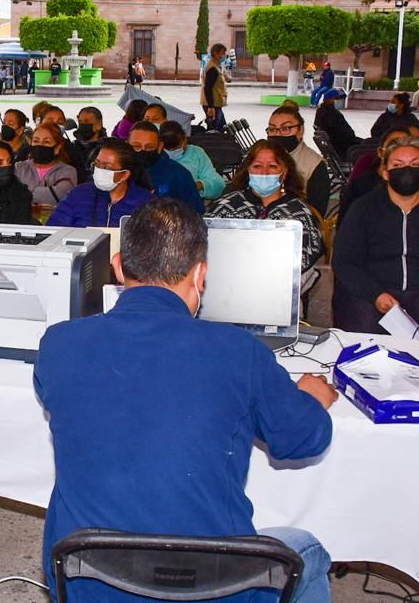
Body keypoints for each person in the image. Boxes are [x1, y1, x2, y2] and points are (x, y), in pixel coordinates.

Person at [35, 197, 335, 603]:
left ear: (119, 266)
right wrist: (310, 398)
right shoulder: (238, 351)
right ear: (201, 275)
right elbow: (304, 440)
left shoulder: (59, 344)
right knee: (306, 547)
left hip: (89, 581)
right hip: (214, 587)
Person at [333, 137, 419, 344]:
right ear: (385, 172)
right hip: (372, 293)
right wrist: (376, 294)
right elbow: (344, 261)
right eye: (398, 165)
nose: (407, 170)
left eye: (415, 165)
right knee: (363, 340)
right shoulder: (363, 208)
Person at [209, 140, 324, 274]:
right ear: (248, 170)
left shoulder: (299, 213)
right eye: (257, 166)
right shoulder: (224, 206)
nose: (264, 173)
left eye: (272, 166)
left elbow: (305, 261)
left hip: (280, 286)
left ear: (284, 173)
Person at [47, 140, 153, 228]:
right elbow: (54, 229)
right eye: (97, 164)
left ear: (124, 174)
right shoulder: (79, 194)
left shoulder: (145, 202)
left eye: (107, 167)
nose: (100, 170)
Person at [265, 106, 332, 217]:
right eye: (272, 129)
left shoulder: (314, 165)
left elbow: (317, 214)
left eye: (285, 128)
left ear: (300, 131)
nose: (277, 134)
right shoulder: (258, 158)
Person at [127, 121, 205, 213]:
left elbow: (195, 213)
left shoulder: (179, 174)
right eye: (136, 146)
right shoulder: (117, 171)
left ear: (160, 147)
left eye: (149, 147)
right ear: (127, 145)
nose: (142, 151)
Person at [339, 127, 411, 223]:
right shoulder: (361, 187)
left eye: (407, 145)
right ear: (381, 152)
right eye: (393, 145)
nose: (399, 150)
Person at [15, 122, 78, 205]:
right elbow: (6, 194)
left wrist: (21, 194)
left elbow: (58, 195)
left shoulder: (68, 171)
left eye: (46, 142)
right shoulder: (19, 167)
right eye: (36, 141)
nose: (40, 145)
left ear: (57, 148)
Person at [159, 121, 225, 200]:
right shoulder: (155, 156)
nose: (173, 151)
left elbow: (218, 183)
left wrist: (199, 185)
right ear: (160, 145)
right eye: (168, 149)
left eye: (176, 147)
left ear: (185, 140)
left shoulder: (196, 153)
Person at [314, 89, 360, 158]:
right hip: (343, 146)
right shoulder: (330, 113)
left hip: (342, 143)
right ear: (330, 100)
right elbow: (339, 132)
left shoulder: (322, 110)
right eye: (336, 99)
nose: (337, 101)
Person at [201, 43, 229, 130]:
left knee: (222, 128)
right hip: (212, 105)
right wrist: (211, 107)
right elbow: (208, 88)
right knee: (214, 131)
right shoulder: (212, 68)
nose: (224, 56)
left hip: (216, 104)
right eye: (222, 53)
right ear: (216, 53)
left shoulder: (216, 66)